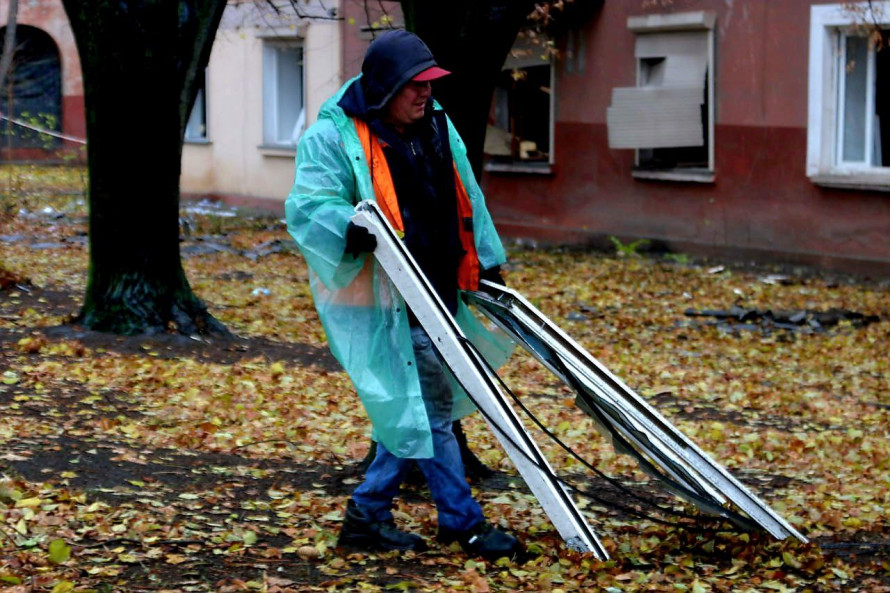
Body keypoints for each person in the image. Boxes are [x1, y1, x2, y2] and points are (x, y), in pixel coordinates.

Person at [284, 30, 524, 561]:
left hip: (440, 287)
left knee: (413, 411)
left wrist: (488, 261)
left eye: (430, 85)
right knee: (430, 409)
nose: (425, 95)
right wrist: (346, 226)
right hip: (385, 299)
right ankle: (463, 524)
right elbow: (307, 205)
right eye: (415, 86)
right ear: (385, 87)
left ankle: (367, 518)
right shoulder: (337, 136)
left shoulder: (436, 123)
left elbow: (467, 193)